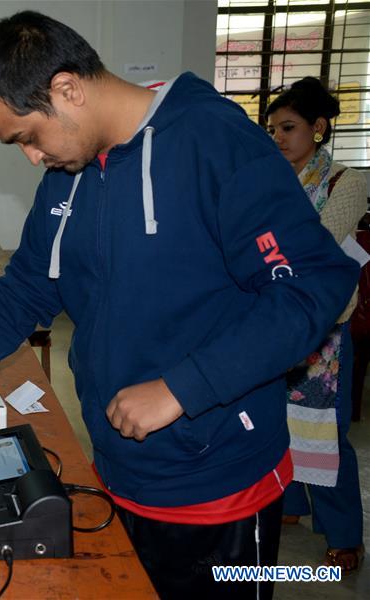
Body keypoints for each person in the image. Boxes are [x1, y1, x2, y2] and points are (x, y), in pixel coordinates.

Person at [0, 11, 358, 599]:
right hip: (120, 471)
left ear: (67, 89)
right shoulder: (68, 173)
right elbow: (25, 290)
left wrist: (182, 387)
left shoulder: (214, 140)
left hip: (219, 484)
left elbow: (314, 287)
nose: (29, 157)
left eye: (26, 136)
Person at [266, 77, 366, 574]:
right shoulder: (272, 180)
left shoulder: (348, 181)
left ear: (319, 128)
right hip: (279, 320)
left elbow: (319, 242)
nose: (278, 138)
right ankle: (289, 505)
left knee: (328, 432)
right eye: (272, 130)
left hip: (328, 330)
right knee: (276, 422)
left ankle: (345, 533)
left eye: (288, 127)